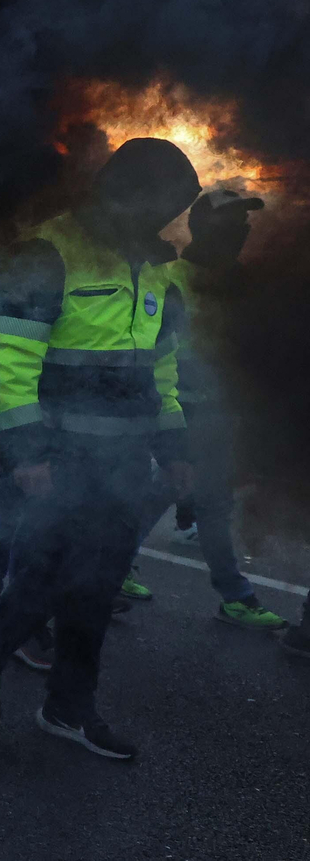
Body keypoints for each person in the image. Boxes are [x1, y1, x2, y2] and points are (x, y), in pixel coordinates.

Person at [0, 138, 199, 761]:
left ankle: (68, 707)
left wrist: (173, 446)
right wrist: (28, 451)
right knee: (43, 578)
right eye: (164, 201)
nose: (170, 216)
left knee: (96, 587)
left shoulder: (157, 269)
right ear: (125, 193)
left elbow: (160, 373)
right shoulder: (48, 252)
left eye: (179, 205)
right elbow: (4, 362)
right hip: (55, 458)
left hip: (122, 465)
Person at [120, 190, 287, 629]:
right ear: (202, 227)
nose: (242, 231)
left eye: (244, 223)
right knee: (181, 491)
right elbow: (155, 348)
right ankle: (116, 566)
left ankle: (232, 595)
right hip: (180, 410)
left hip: (221, 413)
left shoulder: (243, 281)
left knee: (205, 500)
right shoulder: (171, 278)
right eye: (230, 222)